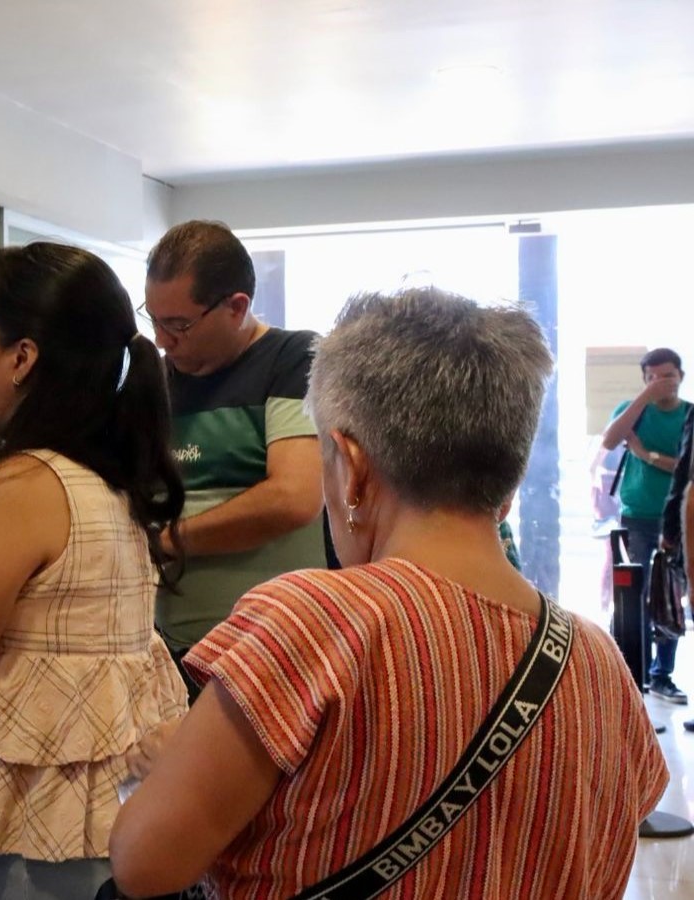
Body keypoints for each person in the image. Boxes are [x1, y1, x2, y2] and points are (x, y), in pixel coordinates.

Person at [108, 288, 667, 898]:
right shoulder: (600, 662)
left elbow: (143, 863)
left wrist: (169, 765)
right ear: (507, 484)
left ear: (352, 467)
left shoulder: (310, 622)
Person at [0, 244, 190, 900]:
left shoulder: (25, 483)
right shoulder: (107, 479)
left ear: (22, 357)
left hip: (47, 847)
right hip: (120, 827)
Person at [141, 220, 326, 681]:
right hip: (169, 657)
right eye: (154, 320)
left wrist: (166, 544)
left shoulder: (294, 358)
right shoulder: (156, 381)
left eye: (179, 324)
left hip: (272, 658)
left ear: (236, 306)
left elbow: (293, 498)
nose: (163, 340)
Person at [602, 346, 690, 702]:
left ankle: (662, 674)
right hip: (636, 515)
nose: (660, 383)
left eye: (667, 375)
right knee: (633, 598)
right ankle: (632, 673)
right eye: (651, 377)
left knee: (669, 598)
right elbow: (609, 440)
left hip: (677, 520)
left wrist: (645, 455)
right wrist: (643, 398)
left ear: (681, 376)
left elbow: (686, 468)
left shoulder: (689, 416)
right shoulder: (632, 411)